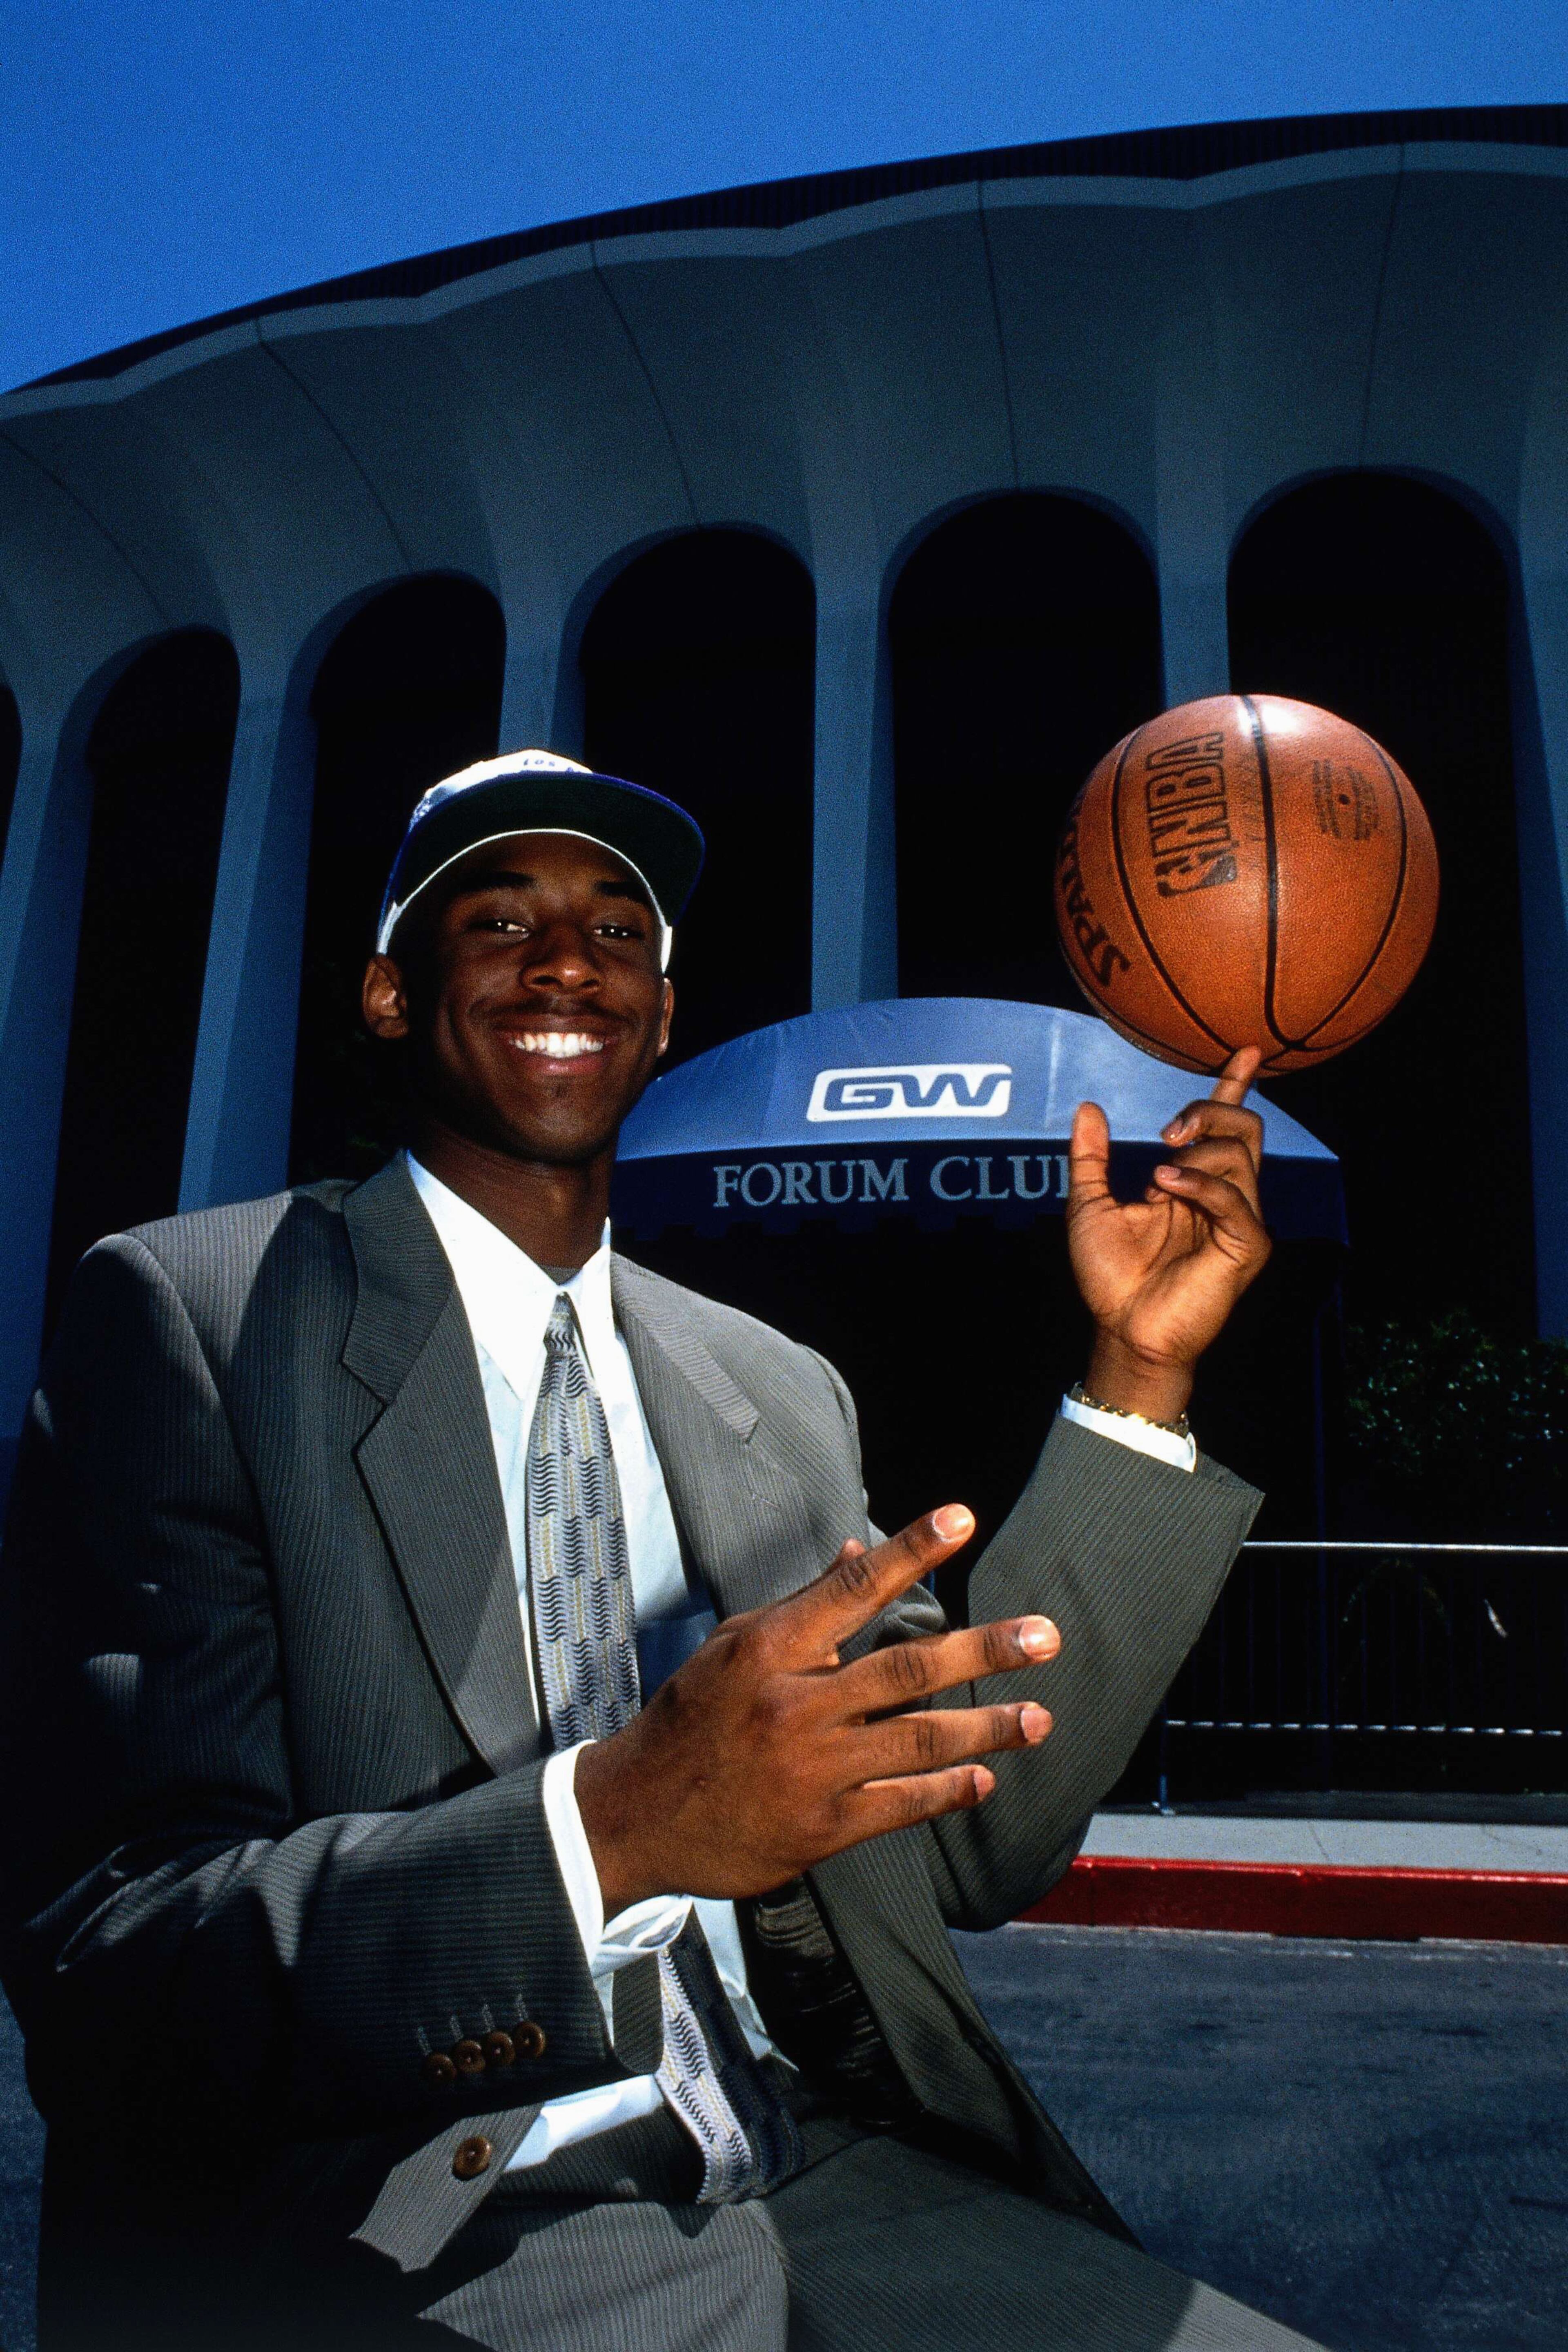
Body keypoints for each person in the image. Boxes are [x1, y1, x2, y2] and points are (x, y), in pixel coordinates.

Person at [0, 749, 1324, 2350]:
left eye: (619, 931)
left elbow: (969, 1841)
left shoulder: (769, 1388)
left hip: (816, 2167)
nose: (569, 961)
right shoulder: (198, 1317)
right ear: (388, 994)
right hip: (425, 2228)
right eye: (501, 920)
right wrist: (614, 1828)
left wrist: (1140, 1374)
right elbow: (118, 1967)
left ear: (665, 1013)